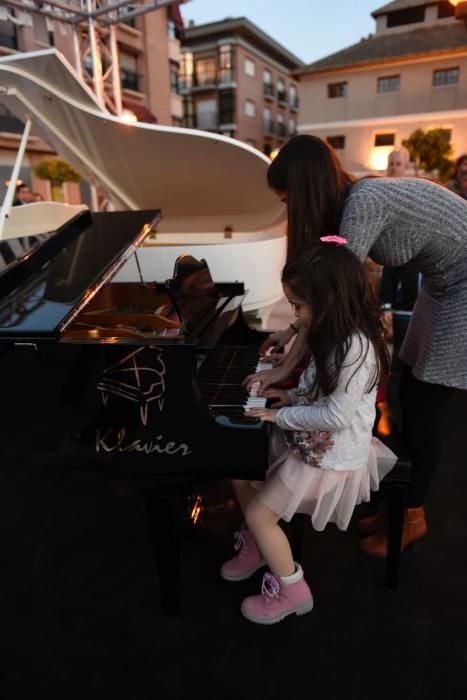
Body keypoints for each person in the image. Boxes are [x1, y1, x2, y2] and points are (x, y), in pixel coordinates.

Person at [245, 134, 467, 559]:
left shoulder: (364, 203)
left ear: (306, 188)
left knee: (425, 410)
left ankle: (411, 516)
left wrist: (280, 368)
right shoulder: (353, 202)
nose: (289, 211)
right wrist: (290, 334)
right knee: (408, 395)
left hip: (462, 288)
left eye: (288, 200)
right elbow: (316, 304)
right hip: (442, 287)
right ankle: (397, 505)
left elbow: (331, 299)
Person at [221, 240, 396, 625]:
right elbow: (319, 388)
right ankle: (260, 545)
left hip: (328, 456)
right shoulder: (331, 332)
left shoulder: (354, 348)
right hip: (309, 437)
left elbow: (335, 414)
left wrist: (279, 417)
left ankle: (292, 590)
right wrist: (289, 393)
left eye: (298, 306)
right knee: (237, 466)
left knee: (261, 514)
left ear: (328, 300)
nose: (295, 317)